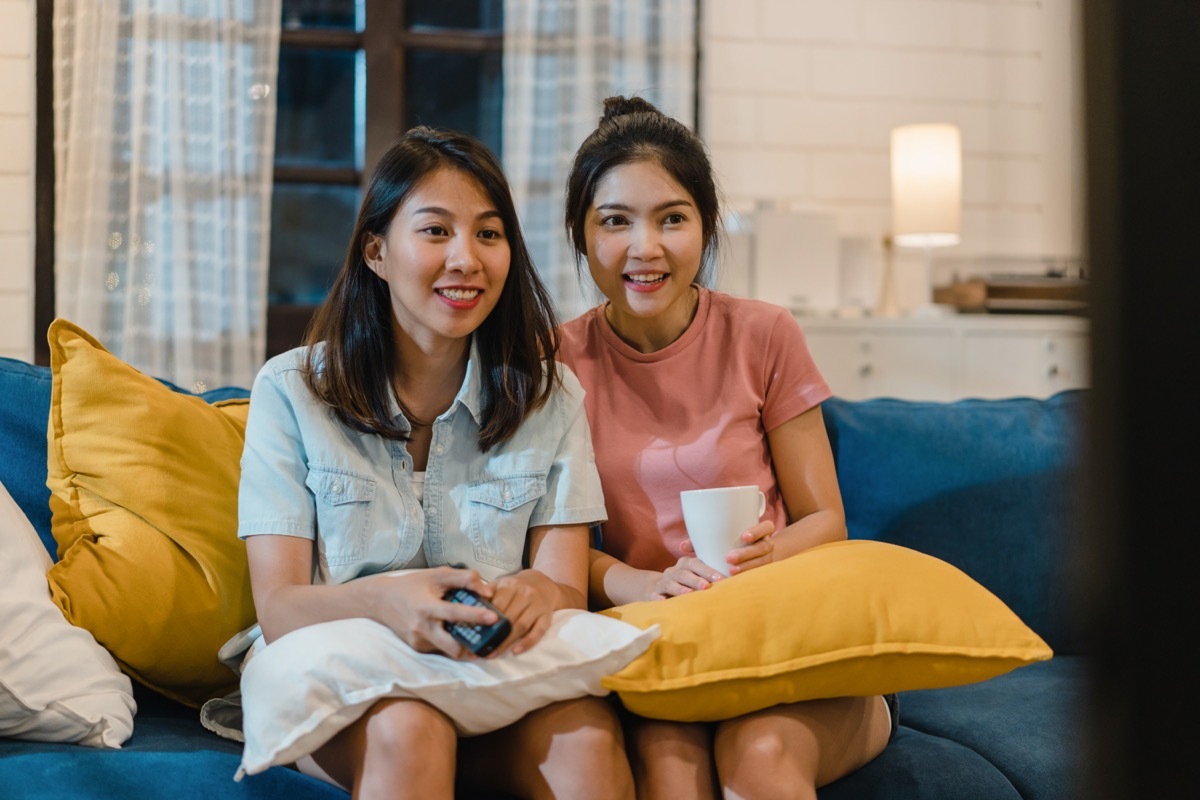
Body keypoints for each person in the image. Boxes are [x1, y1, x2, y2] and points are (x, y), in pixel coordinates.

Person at [233, 126, 633, 799]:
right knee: (412, 727)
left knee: (587, 741)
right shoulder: (291, 390)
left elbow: (561, 585)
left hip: (494, 674)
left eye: (487, 233)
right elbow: (278, 607)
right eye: (435, 231)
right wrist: (386, 602)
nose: (466, 259)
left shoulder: (548, 395)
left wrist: (533, 592)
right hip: (349, 677)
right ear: (376, 252)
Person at [557, 96, 897, 798]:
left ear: (706, 228)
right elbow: (557, 550)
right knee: (670, 770)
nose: (644, 248)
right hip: (661, 649)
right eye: (614, 221)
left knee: (761, 761)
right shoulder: (555, 362)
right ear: (581, 236)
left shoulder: (764, 335)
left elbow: (825, 521)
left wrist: (769, 553)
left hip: (780, 634)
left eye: (672, 218)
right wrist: (643, 582)